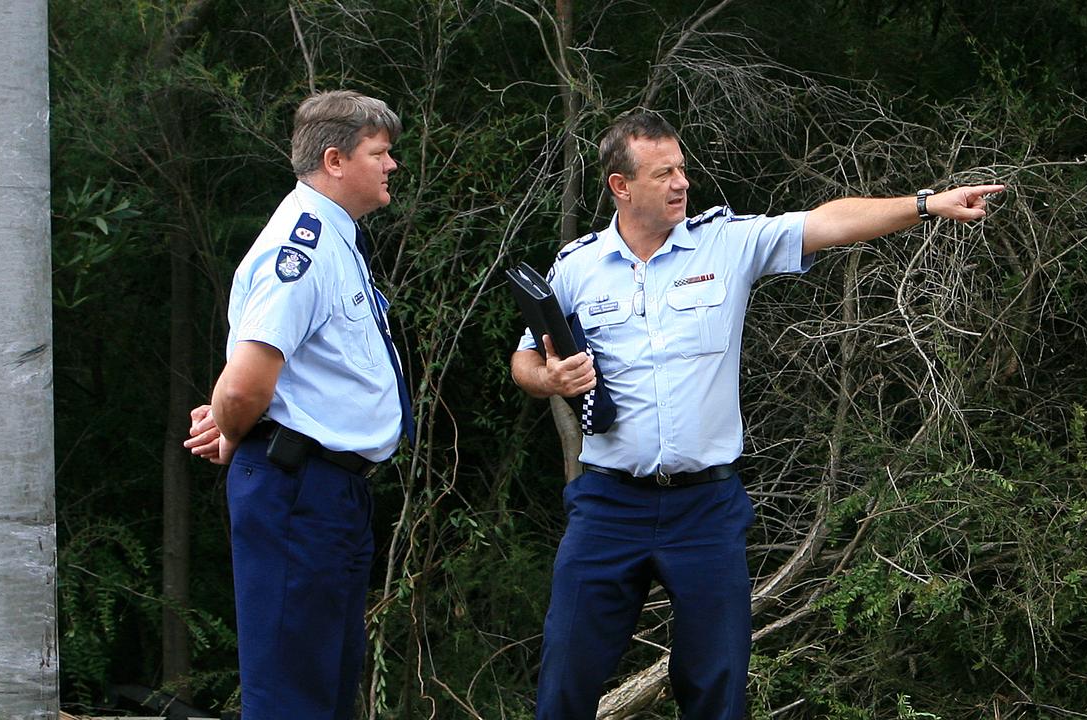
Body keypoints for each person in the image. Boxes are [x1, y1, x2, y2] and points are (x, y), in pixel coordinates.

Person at [510, 111, 1003, 720]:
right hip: (609, 505)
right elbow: (526, 360)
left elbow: (827, 222)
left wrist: (925, 204)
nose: (681, 183)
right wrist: (549, 378)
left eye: (682, 169)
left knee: (717, 685)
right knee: (565, 676)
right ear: (620, 185)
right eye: (663, 173)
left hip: (704, 510)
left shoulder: (727, 242)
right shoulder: (577, 266)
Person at [182, 90, 414, 720]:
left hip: (328, 494)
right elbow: (245, 383)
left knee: (325, 686)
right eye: (380, 153)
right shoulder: (303, 249)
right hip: (297, 490)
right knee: (292, 697)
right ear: (335, 161)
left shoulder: (337, 240)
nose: (392, 165)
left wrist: (239, 420)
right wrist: (235, 428)